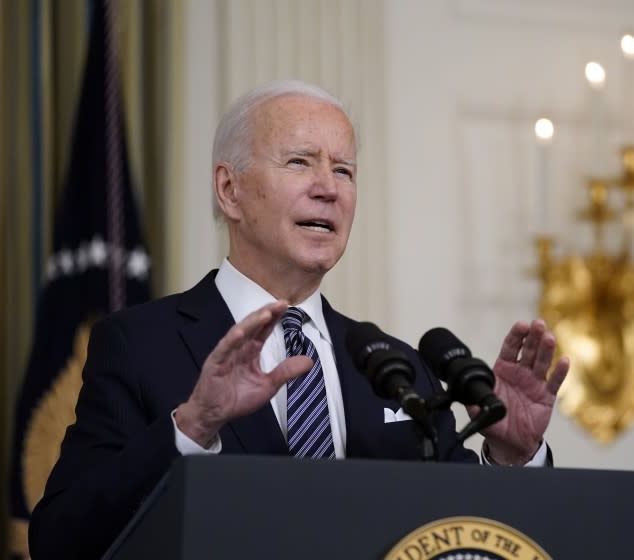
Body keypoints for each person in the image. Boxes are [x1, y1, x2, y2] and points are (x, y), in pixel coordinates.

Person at [28, 80, 570, 559]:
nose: (328, 188)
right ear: (229, 190)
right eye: (299, 162)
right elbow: (61, 539)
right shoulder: (140, 344)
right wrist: (193, 426)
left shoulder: (396, 366)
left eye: (343, 170)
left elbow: (466, 536)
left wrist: (512, 456)